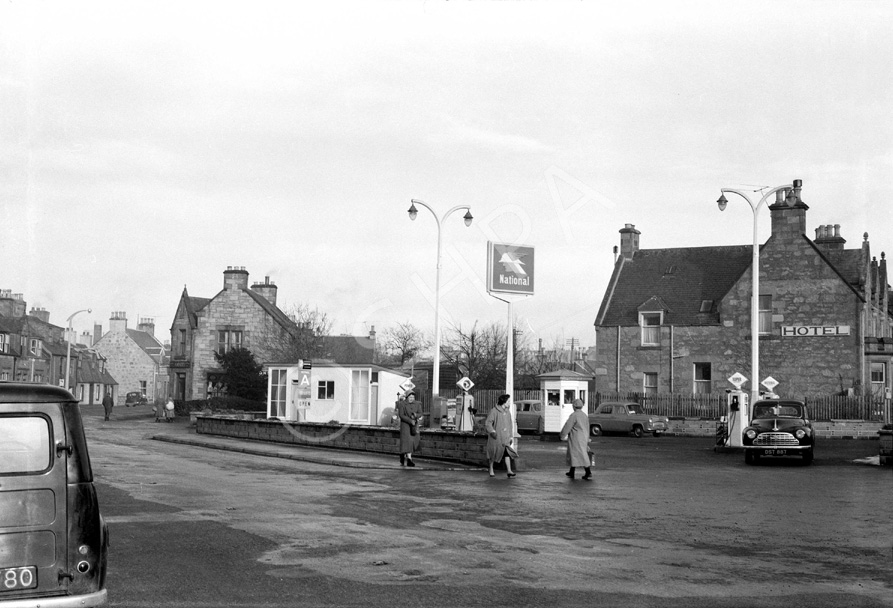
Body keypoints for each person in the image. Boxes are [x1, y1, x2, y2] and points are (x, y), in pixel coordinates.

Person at [560, 398, 592, 480]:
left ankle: (587, 472)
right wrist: (587, 437)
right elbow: (587, 427)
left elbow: (568, 426)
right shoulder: (584, 415)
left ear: (574, 406)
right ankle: (572, 471)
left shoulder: (574, 415)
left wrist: (562, 435)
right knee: (580, 454)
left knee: (575, 454)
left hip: (576, 437)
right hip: (584, 436)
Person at [485, 394, 516, 478]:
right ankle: (491, 469)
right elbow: (488, 423)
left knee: (507, 453)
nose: (510, 403)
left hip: (505, 437)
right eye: (508, 401)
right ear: (504, 401)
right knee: (493, 453)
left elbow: (510, 424)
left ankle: (509, 470)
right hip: (496, 437)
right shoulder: (494, 411)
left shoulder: (507, 412)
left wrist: (510, 436)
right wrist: (492, 431)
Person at [397, 392, 421, 467]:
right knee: (407, 442)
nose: (412, 399)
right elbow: (401, 415)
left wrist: (416, 415)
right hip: (405, 425)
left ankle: (403, 454)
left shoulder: (417, 404)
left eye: (413, 397)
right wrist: (410, 420)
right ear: (407, 397)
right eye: (410, 397)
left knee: (412, 442)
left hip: (414, 426)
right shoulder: (402, 404)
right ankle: (409, 460)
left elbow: (420, 413)